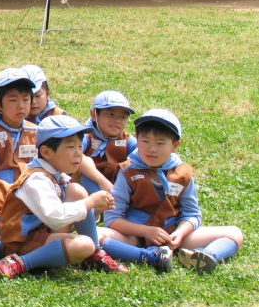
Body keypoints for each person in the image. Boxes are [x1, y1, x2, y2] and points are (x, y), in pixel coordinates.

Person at [100, 110, 243, 274]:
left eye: (160, 143)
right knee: (95, 234)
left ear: (175, 146)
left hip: (172, 236)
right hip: (134, 237)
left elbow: (192, 214)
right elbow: (112, 218)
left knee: (234, 233)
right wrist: (145, 231)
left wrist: (179, 234)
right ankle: (148, 256)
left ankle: (205, 256)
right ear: (137, 140)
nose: (152, 149)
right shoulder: (128, 172)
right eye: (145, 141)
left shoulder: (182, 174)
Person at [0, 116, 128, 279]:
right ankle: (19, 262)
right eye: (71, 147)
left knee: (77, 191)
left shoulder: (57, 173)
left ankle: (94, 255)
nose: (78, 153)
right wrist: (90, 202)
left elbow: (72, 212)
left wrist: (95, 208)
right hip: (22, 242)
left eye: (80, 146)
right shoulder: (36, 179)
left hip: (45, 233)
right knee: (85, 244)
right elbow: (55, 217)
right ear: (46, 152)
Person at [0, 69, 38, 184]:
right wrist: (7, 191)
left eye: (26, 99)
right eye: (13, 100)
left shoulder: (36, 132)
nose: (21, 106)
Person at [79, 90, 136, 195]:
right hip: (85, 187)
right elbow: (75, 155)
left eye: (123, 117)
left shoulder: (127, 140)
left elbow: (142, 153)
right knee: (85, 168)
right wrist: (101, 180)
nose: (117, 120)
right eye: (110, 114)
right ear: (94, 115)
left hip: (117, 188)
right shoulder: (85, 136)